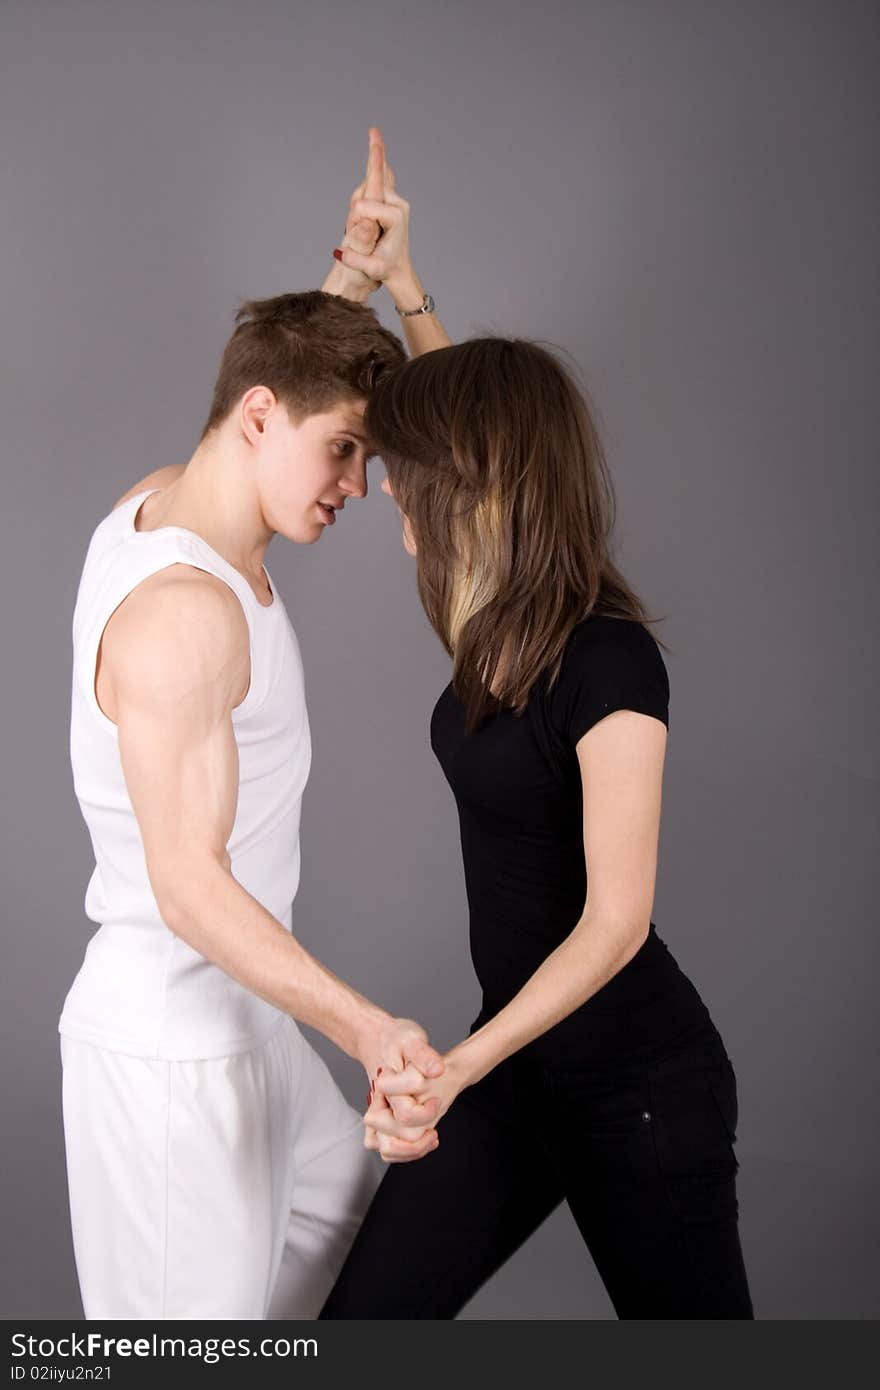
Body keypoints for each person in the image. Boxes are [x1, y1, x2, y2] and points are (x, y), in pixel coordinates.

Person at [319, 217, 755, 1320]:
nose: (380, 490)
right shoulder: (491, 628)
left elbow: (615, 922)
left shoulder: (609, 659)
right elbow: (484, 428)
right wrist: (406, 292)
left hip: (639, 1089)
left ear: (468, 479)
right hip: (520, 1078)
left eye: (401, 469)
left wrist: (461, 1064)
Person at [58, 128, 448, 1320]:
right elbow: (187, 884)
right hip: (175, 1046)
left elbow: (269, 389)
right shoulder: (184, 617)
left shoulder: (165, 501)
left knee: (355, 1238)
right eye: (347, 453)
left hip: (248, 1024)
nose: (358, 486)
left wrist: (356, 272)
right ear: (265, 420)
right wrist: (370, 1026)